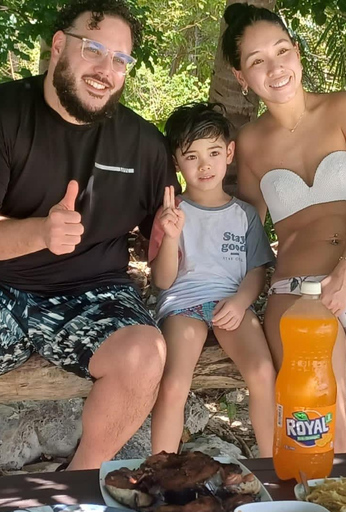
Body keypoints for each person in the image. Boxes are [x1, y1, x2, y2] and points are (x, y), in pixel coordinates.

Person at [0, 1, 179, 511]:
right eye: (94, 49)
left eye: (121, 59)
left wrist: (168, 237)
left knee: (145, 351)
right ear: (58, 46)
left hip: (92, 293)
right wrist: (41, 233)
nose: (106, 70)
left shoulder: (143, 144)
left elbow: (161, 252)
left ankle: (73, 485)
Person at [221, 4, 346, 452]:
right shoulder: (249, 144)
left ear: (297, 52)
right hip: (297, 295)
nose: (274, 67)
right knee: (323, 447)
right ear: (241, 77)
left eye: (281, 51)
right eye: (257, 60)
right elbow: (248, 229)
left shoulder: (344, 108)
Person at [148, 103, 277, 456]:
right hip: (183, 306)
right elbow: (162, 280)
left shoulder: (244, 215)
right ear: (176, 161)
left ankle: (270, 467)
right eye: (191, 156)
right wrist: (171, 234)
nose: (204, 165)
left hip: (231, 303)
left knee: (264, 372)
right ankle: (159, 470)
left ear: (230, 153)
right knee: (174, 384)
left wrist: (240, 302)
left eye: (214, 152)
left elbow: (256, 271)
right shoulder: (172, 212)